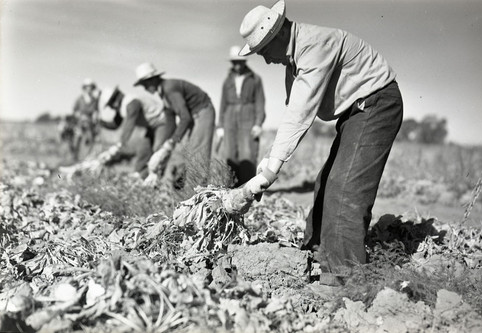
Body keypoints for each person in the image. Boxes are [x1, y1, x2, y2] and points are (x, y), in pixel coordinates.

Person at [240, 1, 404, 286]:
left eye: (264, 51)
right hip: (357, 111)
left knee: (344, 188)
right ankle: (317, 256)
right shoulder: (294, 59)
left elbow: (301, 115)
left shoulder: (314, 46)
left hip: (377, 104)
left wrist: (269, 174)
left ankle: (344, 280)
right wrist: (267, 163)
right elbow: (292, 112)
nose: (266, 60)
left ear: (277, 35)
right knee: (325, 182)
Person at [133, 62, 216, 187]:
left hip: (202, 111)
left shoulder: (169, 88)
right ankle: (185, 186)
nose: (144, 87)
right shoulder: (163, 94)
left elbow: (185, 117)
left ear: (152, 80)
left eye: (145, 84)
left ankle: (197, 191)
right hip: (193, 115)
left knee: (198, 151)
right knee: (186, 151)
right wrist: (163, 146)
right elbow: (170, 121)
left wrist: (171, 142)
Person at [97, 83, 175, 181]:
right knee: (144, 150)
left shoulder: (132, 103)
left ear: (114, 100)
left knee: (158, 151)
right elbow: (116, 124)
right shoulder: (123, 107)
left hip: (163, 122)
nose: (112, 108)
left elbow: (129, 124)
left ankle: (156, 180)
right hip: (151, 127)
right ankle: (141, 178)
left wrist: (119, 145)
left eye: (110, 105)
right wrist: (100, 122)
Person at [217, 45, 266, 187]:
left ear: (244, 62)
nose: (237, 65)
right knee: (230, 154)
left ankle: (248, 188)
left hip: (248, 116)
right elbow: (223, 103)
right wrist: (220, 125)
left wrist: (258, 123)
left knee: (247, 153)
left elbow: (260, 102)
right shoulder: (227, 80)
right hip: (229, 118)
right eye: (234, 62)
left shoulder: (255, 79)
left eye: (239, 62)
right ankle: (232, 188)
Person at [72, 78, 100, 157]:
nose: (89, 89)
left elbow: (96, 111)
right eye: (87, 87)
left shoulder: (94, 100)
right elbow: (75, 110)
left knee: (91, 139)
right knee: (77, 138)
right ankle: (75, 156)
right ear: (84, 88)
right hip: (80, 122)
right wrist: (80, 116)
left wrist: (95, 116)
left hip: (90, 123)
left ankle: (87, 156)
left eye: (90, 87)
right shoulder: (80, 99)